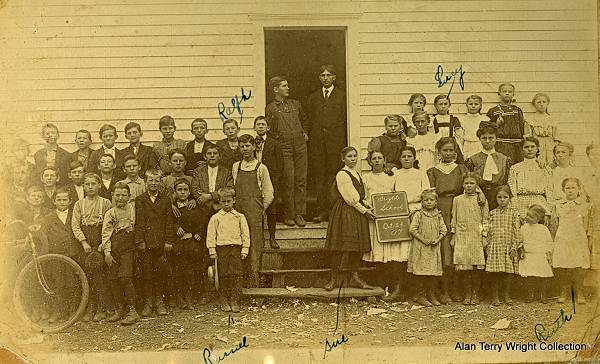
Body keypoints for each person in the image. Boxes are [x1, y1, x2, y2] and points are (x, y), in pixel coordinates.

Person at [324, 146, 375, 291]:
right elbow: (351, 198)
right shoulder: (342, 174)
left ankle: (355, 278)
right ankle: (333, 279)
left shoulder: (357, 174)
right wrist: (364, 211)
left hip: (356, 212)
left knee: (355, 248)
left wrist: (368, 207)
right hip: (345, 212)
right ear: (343, 159)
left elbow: (361, 196)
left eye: (354, 156)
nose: (353, 159)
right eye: (350, 156)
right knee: (340, 247)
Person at [426, 137, 469, 302]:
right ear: (439, 152)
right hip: (441, 209)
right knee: (444, 251)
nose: (449, 153)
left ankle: (456, 290)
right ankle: (443, 291)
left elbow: (471, 187)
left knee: (457, 249)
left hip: (458, 207)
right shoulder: (432, 171)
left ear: (456, 152)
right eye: (445, 150)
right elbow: (430, 194)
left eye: (452, 150)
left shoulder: (461, 169)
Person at [305, 65, 347, 222]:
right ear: (319, 78)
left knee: (334, 177)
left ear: (334, 78)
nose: (326, 78)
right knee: (320, 178)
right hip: (317, 145)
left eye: (329, 75)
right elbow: (308, 120)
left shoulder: (342, 96)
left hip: (335, 144)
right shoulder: (313, 97)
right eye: (323, 75)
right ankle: (322, 211)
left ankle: (334, 212)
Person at [191, 145, 233, 304]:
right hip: (202, 214)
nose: (212, 156)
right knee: (204, 252)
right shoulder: (198, 172)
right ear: (205, 156)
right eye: (209, 153)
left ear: (219, 156)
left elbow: (230, 189)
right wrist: (208, 199)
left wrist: (210, 196)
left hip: (220, 213)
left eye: (215, 153)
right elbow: (195, 190)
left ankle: (224, 291)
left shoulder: (226, 172)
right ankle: (206, 291)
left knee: (222, 249)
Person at [265, 76, 308, 227]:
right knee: (288, 180)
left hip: (300, 145)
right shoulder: (270, 108)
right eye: (284, 86)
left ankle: (299, 214)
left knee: (301, 179)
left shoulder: (295, 104)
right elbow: (269, 129)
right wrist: (278, 142)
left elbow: (304, 119)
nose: (288, 88)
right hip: (284, 146)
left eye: (287, 85)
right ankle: (289, 214)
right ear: (276, 89)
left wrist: (305, 131)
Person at [232, 134, 274, 288]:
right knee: (240, 244)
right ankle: (240, 283)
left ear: (254, 147)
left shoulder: (261, 168)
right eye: (242, 146)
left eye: (248, 146)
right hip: (238, 211)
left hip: (254, 211)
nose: (245, 149)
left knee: (255, 246)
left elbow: (269, 193)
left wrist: (260, 210)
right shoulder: (236, 166)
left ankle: (254, 283)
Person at [71, 173, 113, 322]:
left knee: (100, 276)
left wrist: (104, 242)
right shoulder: (79, 204)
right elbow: (75, 225)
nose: (90, 187)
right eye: (87, 184)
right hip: (85, 242)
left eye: (93, 184)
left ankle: (102, 307)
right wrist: (83, 242)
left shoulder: (106, 203)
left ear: (99, 185)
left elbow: (110, 224)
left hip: (100, 239)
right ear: (83, 186)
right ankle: (91, 306)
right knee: (88, 275)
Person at [135, 169, 176, 316]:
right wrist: (140, 241)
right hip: (146, 244)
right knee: (147, 273)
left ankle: (159, 301)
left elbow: (169, 222)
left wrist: (169, 241)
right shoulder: (140, 200)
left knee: (160, 273)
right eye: (150, 180)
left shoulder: (165, 199)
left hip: (161, 243)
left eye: (156, 180)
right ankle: (148, 301)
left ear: (160, 183)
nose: (153, 183)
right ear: (146, 182)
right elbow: (139, 222)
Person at [392, 146, 430, 301]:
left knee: (417, 251)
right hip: (399, 212)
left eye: (409, 156)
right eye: (403, 156)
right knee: (401, 252)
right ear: (400, 159)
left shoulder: (421, 174)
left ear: (414, 158)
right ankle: (400, 289)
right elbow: (390, 193)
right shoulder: (395, 174)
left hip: (417, 211)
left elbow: (427, 194)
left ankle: (418, 291)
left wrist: (417, 210)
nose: (406, 159)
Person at [40, 188, 82, 323]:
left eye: (65, 200)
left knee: (72, 283)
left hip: (72, 255)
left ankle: (73, 312)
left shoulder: (74, 214)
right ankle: (59, 312)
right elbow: (43, 237)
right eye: (59, 200)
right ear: (54, 201)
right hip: (56, 255)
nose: (62, 202)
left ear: (70, 201)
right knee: (58, 284)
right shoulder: (48, 218)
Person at [361, 151, 399, 297]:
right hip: (374, 217)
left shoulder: (391, 177)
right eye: (374, 159)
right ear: (370, 162)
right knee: (375, 250)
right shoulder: (365, 178)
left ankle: (389, 286)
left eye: (380, 158)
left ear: (384, 160)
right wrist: (370, 208)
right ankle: (375, 287)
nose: (377, 161)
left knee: (388, 252)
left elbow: (396, 195)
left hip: (388, 218)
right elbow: (363, 197)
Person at [101, 181, 139, 325]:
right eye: (117, 195)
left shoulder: (133, 209)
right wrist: (107, 253)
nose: (120, 198)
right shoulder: (110, 213)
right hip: (114, 249)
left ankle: (133, 310)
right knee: (112, 278)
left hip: (129, 249)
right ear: (112, 196)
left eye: (124, 195)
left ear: (129, 196)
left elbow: (138, 227)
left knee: (125, 277)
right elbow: (106, 234)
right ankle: (120, 309)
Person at [206, 187, 250, 313]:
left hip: (236, 249)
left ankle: (235, 300)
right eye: (223, 201)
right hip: (222, 250)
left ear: (234, 200)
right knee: (223, 275)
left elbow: (245, 234)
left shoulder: (240, 217)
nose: (226, 204)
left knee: (236, 274)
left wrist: (245, 249)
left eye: (229, 201)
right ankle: (224, 300)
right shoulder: (216, 218)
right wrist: (212, 251)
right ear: (219, 202)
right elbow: (211, 235)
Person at [450, 172, 489, 305]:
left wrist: (484, 236)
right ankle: (467, 294)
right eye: (466, 183)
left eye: (472, 183)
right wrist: (454, 236)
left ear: (477, 185)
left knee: (476, 267)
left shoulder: (481, 200)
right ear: (462, 185)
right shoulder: (457, 200)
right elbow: (453, 218)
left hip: (476, 235)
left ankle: (475, 294)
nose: (469, 186)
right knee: (465, 268)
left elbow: (485, 219)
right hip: (462, 235)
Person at [551, 177, 591, 304]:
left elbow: (586, 225)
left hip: (578, 239)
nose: (570, 190)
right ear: (563, 190)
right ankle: (564, 291)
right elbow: (554, 225)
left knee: (579, 265)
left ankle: (579, 291)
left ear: (579, 189)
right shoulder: (558, 206)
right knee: (563, 265)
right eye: (567, 188)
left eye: (573, 187)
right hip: (563, 238)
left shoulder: (584, 206)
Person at [408, 189, 447, 306]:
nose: (429, 202)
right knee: (421, 272)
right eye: (426, 200)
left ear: (436, 202)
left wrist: (438, 239)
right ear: (422, 202)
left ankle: (431, 294)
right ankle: (420, 295)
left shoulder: (438, 215)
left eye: (431, 200)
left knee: (432, 272)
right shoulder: (419, 215)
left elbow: (444, 229)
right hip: (421, 248)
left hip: (433, 248)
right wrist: (423, 239)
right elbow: (412, 229)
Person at [485, 185, 522, 306]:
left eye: (505, 197)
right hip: (495, 247)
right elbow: (486, 230)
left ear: (510, 198)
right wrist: (487, 245)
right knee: (495, 273)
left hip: (508, 246)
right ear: (495, 198)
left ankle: (506, 295)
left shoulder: (514, 213)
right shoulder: (492, 213)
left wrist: (514, 246)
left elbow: (517, 230)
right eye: (499, 197)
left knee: (508, 273)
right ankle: (494, 296)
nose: (502, 200)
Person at [171, 179, 204, 309]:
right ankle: (180, 298)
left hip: (191, 243)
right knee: (178, 271)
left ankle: (189, 297)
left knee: (191, 271)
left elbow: (201, 222)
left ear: (189, 192)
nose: (183, 192)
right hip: (178, 243)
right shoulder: (171, 208)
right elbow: (168, 222)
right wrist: (175, 228)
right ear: (175, 192)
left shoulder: (194, 207)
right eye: (179, 190)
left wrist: (198, 233)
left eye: (185, 190)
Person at [466, 122, 511, 210]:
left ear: (496, 138)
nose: (487, 141)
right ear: (480, 139)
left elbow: (507, 180)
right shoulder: (473, 160)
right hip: (479, 195)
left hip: (499, 196)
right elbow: (469, 180)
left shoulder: (504, 159)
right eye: (484, 138)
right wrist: (479, 193)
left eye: (491, 138)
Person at [254, 116, 283, 248]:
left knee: (271, 210)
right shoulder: (251, 142)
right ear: (254, 127)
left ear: (268, 128)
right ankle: (259, 237)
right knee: (256, 209)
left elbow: (280, 164)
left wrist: (274, 181)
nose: (260, 126)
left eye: (263, 124)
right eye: (258, 124)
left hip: (269, 181)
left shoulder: (274, 143)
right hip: (254, 180)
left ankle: (272, 237)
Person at [508, 137, 551, 219]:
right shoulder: (515, 168)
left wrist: (547, 212)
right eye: (526, 147)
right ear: (522, 149)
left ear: (537, 148)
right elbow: (512, 189)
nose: (530, 149)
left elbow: (549, 190)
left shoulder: (544, 167)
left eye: (532, 146)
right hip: (521, 201)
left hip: (539, 201)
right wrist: (515, 208)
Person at [486, 83, 529, 164]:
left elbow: (522, 127)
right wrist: (496, 124)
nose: (507, 93)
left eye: (510, 91)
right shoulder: (494, 111)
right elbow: (488, 130)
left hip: (517, 145)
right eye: (504, 91)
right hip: (501, 144)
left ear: (513, 94)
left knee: (517, 167)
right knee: (502, 166)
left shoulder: (517, 110)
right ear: (499, 94)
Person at [519, 204, 554, 303]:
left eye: (531, 216)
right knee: (530, 276)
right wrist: (521, 250)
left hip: (540, 255)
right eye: (527, 215)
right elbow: (520, 240)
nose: (527, 218)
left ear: (538, 218)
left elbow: (549, 242)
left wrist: (548, 253)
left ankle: (543, 294)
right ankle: (530, 294)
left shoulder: (543, 229)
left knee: (542, 276)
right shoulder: (524, 227)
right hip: (529, 255)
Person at [585, 144, 600, 295]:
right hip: (592, 213)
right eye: (593, 154)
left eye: (598, 154)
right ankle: (592, 286)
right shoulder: (585, 174)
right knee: (592, 244)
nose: (596, 158)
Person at [526, 93, 557, 167]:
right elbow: (528, 138)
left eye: (544, 102)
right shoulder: (529, 119)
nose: (541, 104)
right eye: (539, 102)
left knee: (550, 166)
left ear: (547, 104)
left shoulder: (552, 119)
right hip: (537, 147)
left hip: (550, 147)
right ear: (534, 104)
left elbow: (556, 138)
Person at [431, 95, 464, 163]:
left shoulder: (454, 119)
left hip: (452, 145)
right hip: (438, 145)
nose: (443, 106)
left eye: (445, 104)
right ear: (435, 105)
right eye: (440, 104)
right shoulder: (432, 119)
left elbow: (459, 136)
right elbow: (431, 134)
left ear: (449, 105)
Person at [461, 95, 489, 159]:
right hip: (467, 146)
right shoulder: (462, 119)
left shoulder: (485, 119)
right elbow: (460, 138)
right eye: (470, 104)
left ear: (480, 106)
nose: (473, 106)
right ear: (466, 105)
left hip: (480, 145)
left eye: (476, 104)